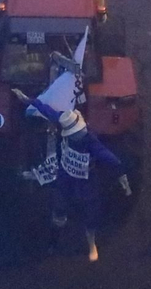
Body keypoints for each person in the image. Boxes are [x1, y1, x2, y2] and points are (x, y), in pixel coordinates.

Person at [16, 101, 129, 261]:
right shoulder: (63, 120)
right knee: (59, 209)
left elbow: (109, 157)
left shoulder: (90, 140)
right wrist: (28, 99)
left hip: (85, 180)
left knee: (91, 213)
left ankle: (91, 245)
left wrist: (121, 174)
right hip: (66, 176)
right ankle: (53, 241)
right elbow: (46, 109)